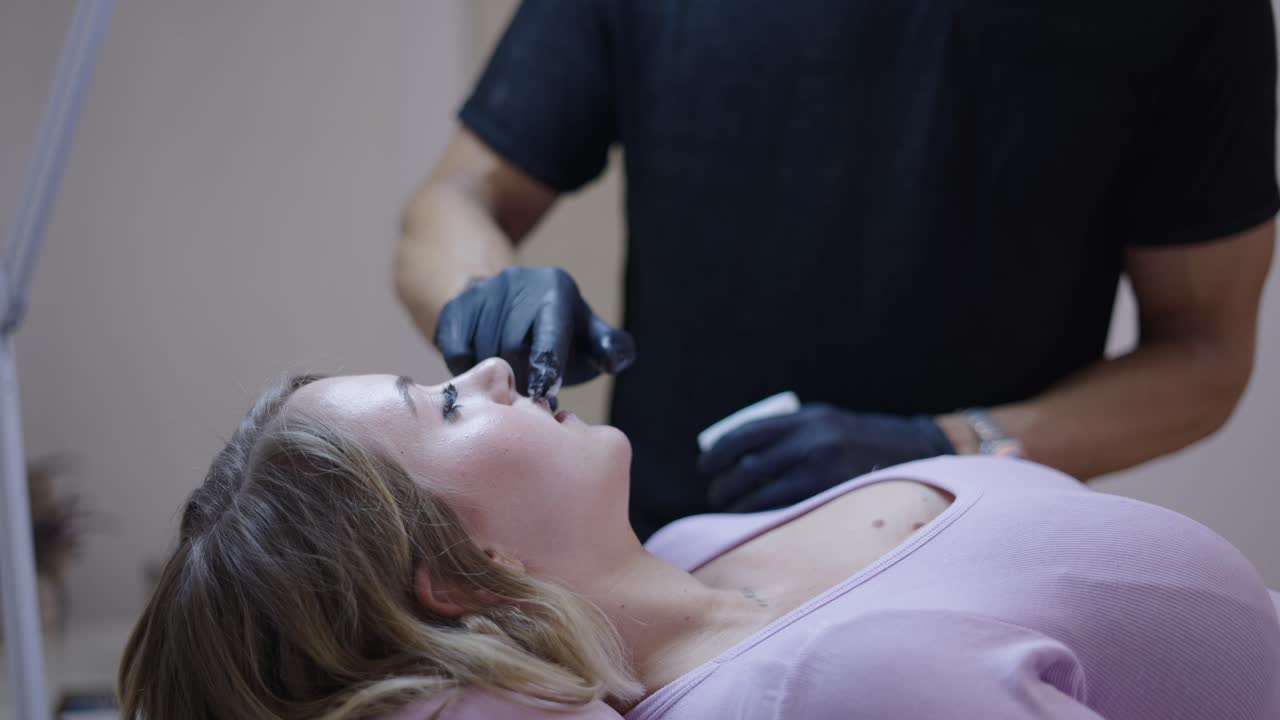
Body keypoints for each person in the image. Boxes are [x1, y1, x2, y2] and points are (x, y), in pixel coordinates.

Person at [396, 0, 1280, 540]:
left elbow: (1204, 352)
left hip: (969, 563)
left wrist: (949, 447)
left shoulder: (1183, 14)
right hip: (675, 543)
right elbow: (458, 197)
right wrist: (487, 296)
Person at [118, 359, 1280, 719]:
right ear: (453, 572)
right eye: (449, 404)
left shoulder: (692, 541)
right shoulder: (828, 687)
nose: (486, 363)